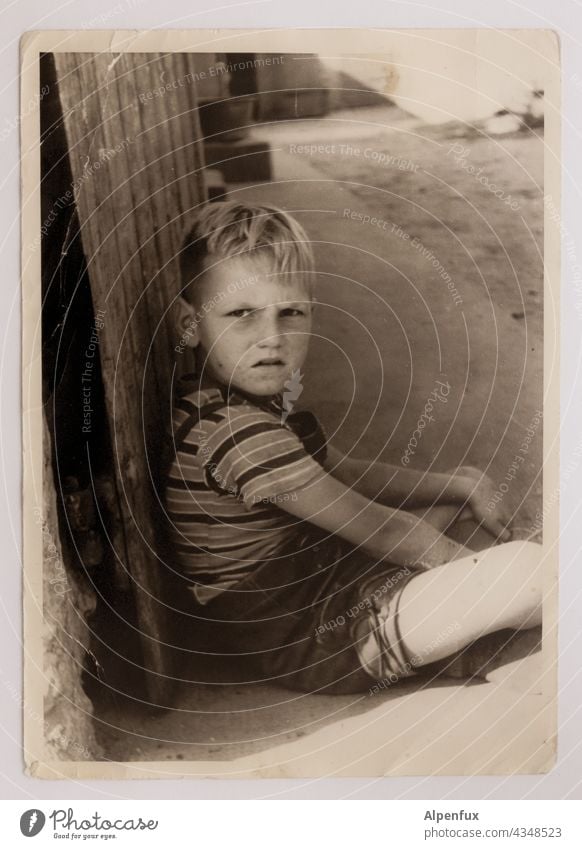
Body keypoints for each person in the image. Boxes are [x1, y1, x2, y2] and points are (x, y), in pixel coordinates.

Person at [164, 199, 543, 695]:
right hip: (314, 635)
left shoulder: (234, 404)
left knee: (461, 516)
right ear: (190, 324)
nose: (272, 338)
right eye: (242, 314)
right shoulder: (237, 434)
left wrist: (461, 483)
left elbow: (343, 470)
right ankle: (452, 628)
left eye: (290, 312)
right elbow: (381, 529)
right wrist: (476, 573)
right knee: (528, 570)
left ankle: (481, 643)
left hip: (329, 582)